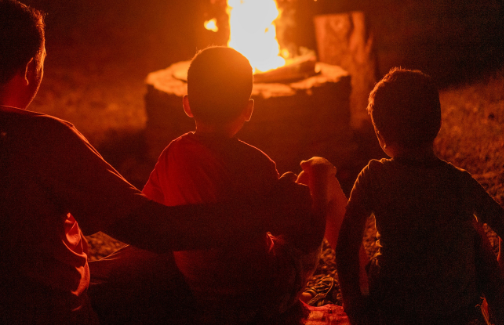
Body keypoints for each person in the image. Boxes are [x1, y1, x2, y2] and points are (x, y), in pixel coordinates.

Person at [0, 0, 314, 325]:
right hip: (43, 317)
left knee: (122, 270)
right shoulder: (44, 139)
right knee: (165, 281)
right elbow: (153, 229)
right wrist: (263, 210)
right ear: (30, 68)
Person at [140, 46, 349, 324]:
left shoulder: (172, 154)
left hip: (204, 296)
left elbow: (151, 208)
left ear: (187, 104)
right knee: (319, 175)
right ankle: (360, 283)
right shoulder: (256, 163)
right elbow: (301, 232)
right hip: (265, 295)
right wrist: (318, 184)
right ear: (248, 109)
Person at [337, 68, 504, 325]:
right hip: (455, 311)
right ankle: (498, 303)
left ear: (381, 135)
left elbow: (347, 243)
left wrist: (354, 304)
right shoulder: (459, 181)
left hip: (392, 309)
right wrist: (503, 269)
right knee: (473, 231)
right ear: (437, 125)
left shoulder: (374, 176)